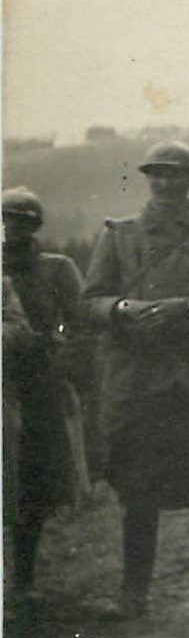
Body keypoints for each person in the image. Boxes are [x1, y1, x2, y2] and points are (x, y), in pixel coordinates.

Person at [81, 142, 189, 618]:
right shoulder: (118, 236)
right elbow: (91, 302)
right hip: (139, 383)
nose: (164, 184)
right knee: (137, 490)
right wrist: (123, 310)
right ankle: (133, 596)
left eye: (174, 175)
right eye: (156, 175)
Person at [2, 187, 85, 599]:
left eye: (20, 221)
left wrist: (60, 355)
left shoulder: (56, 269)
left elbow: (81, 322)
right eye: (5, 220)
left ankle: (24, 581)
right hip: (5, 381)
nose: (10, 229)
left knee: (32, 487)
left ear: (35, 226)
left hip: (39, 387)